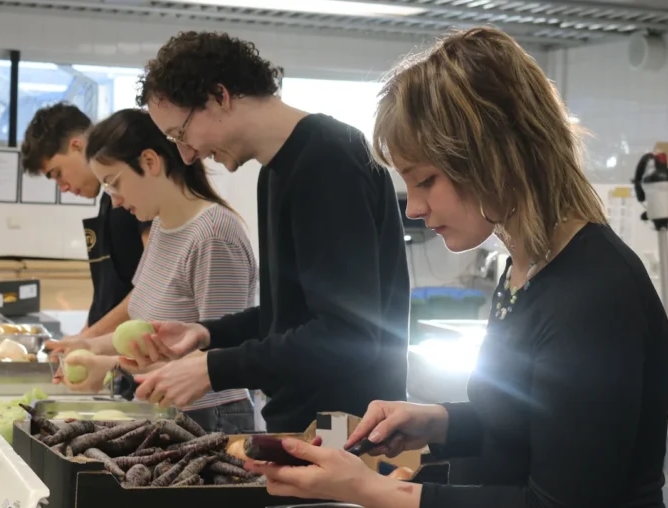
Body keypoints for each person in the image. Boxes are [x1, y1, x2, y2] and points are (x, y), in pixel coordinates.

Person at [245, 27, 668, 508]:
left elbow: (559, 502)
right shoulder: (526, 271)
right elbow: (527, 426)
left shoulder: (592, 294)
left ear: (494, 156)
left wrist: (374, 490)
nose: (414, 208)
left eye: (426, 180)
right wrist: (438, 421)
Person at [124, 31, 412, 433]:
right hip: (303, 424)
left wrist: (213, 369)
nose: (186, 154)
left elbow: (348, 337)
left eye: (180, 133)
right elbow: (291, 314)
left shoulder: (330, 160)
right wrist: (208, 333)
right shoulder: (275, 171)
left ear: (219, 96)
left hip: (346, 431)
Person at [49, 108, 258, 433]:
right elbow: (139, 317)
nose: (115, 201)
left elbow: (213, 360)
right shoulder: (162, 226)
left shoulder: (214, 236)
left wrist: (108, 367)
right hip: (164, 413)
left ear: (150, 162)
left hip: (210, 421)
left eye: (114, 183)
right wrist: (89, 346)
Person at [21, 102, 151, 346]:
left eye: (58, 173)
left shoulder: (136, 198)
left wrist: (88, 338)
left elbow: (153, 286)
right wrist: (83, 336)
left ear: (77, 146)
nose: (63, 187)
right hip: (113, 352)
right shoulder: (107, 201)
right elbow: (109, 294)